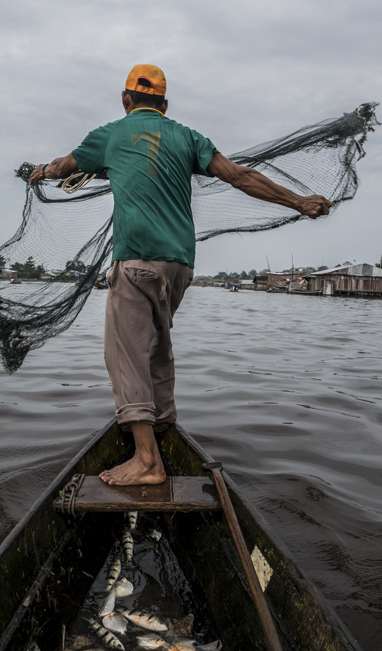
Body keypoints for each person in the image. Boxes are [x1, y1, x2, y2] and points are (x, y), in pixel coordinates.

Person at [30, 64, 332, 486]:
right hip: (179, 267)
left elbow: (65, 166)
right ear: (165, 105)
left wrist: (41, 171)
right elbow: (240, 176)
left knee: (126, 357)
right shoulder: (189, 137)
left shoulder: (110, 135)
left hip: (135, 261)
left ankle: (148, 461)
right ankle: (165, 425)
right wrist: (299, 201)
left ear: (125, 100)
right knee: (157, 347)